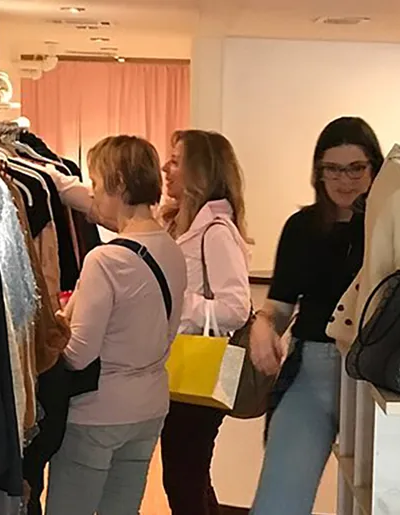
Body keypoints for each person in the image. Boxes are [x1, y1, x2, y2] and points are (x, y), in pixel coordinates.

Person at [44, 136, 187, 514]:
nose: (93, 193)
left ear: (118, 183)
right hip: (150, 405)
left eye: (96, 182)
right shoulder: (171, 247)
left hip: (98, 410)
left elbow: (79, 356)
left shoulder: (105, 260)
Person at [248, 116, 384, 515]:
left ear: (373, 168)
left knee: (381, 499)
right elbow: (281, 304)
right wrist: (262, 324)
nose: (345, 180)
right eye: (333, 169)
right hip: (311, 370)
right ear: (318, 172)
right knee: (278, 503)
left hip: (374, 376)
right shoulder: (301, 227)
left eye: (356, 168)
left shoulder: (389, 227)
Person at [158, 130, 252, 515]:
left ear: (199, 170)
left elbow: (236, 308)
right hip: (189, 367)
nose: (166, 167)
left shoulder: (215, 231)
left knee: (184, 476)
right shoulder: (187, 225)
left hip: (204, 365)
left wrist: (177, 303)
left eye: (176, 160)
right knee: (188, 474)